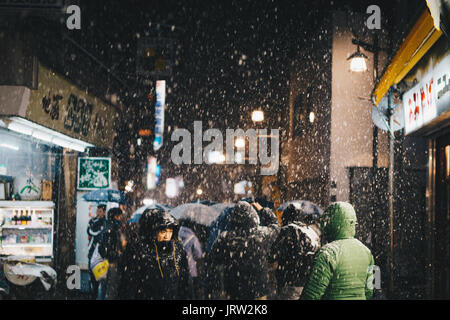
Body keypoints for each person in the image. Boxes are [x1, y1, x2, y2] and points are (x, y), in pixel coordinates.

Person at [205, 201, 280, 300]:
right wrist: (262, 210)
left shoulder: (224, 238)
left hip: (234, 291)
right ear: (253, 217)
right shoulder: (261, 235)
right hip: (257, 291)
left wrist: (214, 289)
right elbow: (276, 226)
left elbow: (212, 265)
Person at [300, 202, 375, 300]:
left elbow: (311, 294)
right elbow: (371, 290)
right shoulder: (367, 252)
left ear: (331, 223)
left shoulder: (327, 253)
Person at [120, 208, 191, 300]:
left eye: (170, 232)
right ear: (153, 231)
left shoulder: (177, 249)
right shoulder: (138, 249)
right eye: (163, 232)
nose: (167, 236)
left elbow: (184, 280)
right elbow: (129, 283)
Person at [269, 203, 321, 300]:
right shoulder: (312, 232)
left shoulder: (287, 231)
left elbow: (272, 255)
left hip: (289, 283)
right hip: (309, 284)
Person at [97, 207, 124, 300]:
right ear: (116, 217)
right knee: (110, 289)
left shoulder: (108, 227)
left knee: (104, 287)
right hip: (111, 263)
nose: (121, 218)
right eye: (120, 216)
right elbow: (106, 248)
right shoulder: (111, 229)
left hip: (106, 262)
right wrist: (117, 254)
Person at [86, 203, 107, 299]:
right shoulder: (93, 221)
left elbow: (100, 234)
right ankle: (93, 295)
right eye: (97, 211)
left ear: (104, 212)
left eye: (100, 211)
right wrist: (95, 221)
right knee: (92, 278)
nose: (98, 213)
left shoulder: (105, 223)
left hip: (101, 255)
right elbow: (90, 231)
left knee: (100, 278)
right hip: (92, 252)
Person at [178, 225, 204, 299]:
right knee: (193, 295)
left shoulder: (172, 235)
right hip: (191, 272)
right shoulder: (191, 236)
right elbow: (198, 255)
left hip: (177, 273)